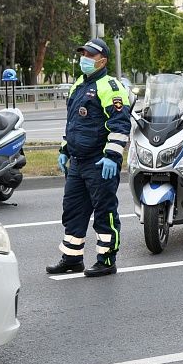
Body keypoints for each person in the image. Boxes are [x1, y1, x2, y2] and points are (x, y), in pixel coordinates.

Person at [46, 38, 130, 277]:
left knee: (104, 211)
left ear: (102, 60)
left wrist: (113, 156)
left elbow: (120, 124)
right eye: (83, 54)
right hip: (78, 162)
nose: (84, 59)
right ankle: (72, 258)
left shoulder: (110, 87)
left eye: (90, 55)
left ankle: (106, 260)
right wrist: (64, 149)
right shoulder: (78, 85)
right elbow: (73, 124)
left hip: (100, 162)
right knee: (73, 211)